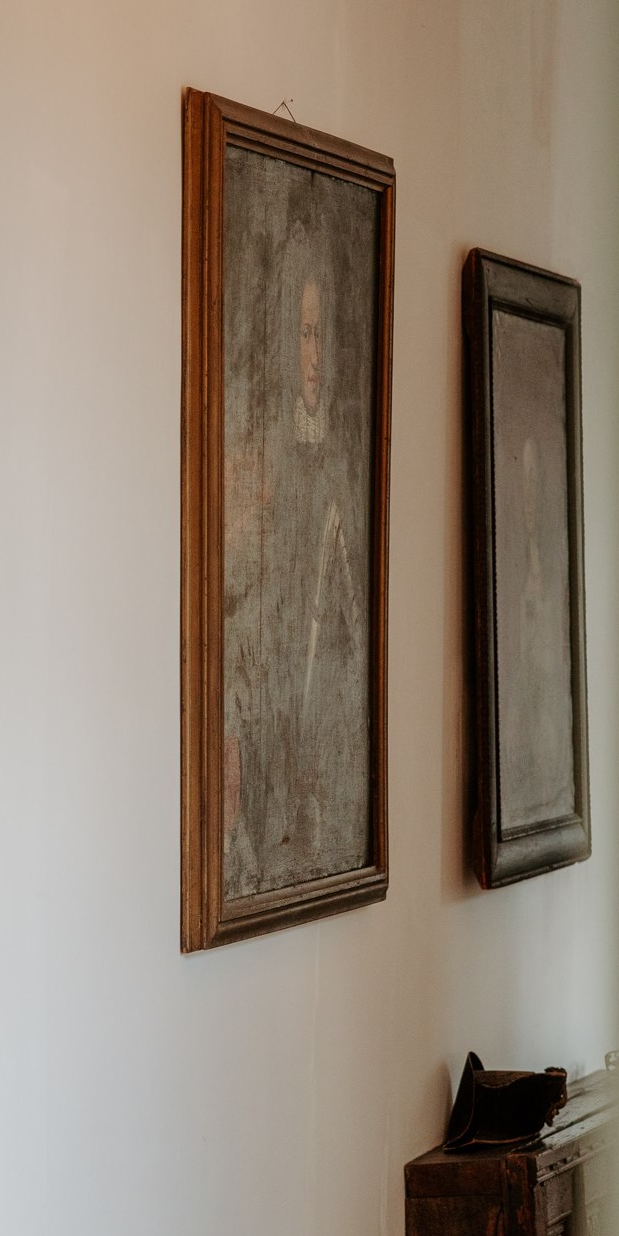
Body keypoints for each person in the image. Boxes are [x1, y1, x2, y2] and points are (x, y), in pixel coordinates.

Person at [224, 265, 364, 893]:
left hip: (321, 730)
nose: (316, 355)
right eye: (305, 335)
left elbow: (348, 623)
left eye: (322, 335)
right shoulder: (268, 459)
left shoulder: (338, 466)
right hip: (269, 730)